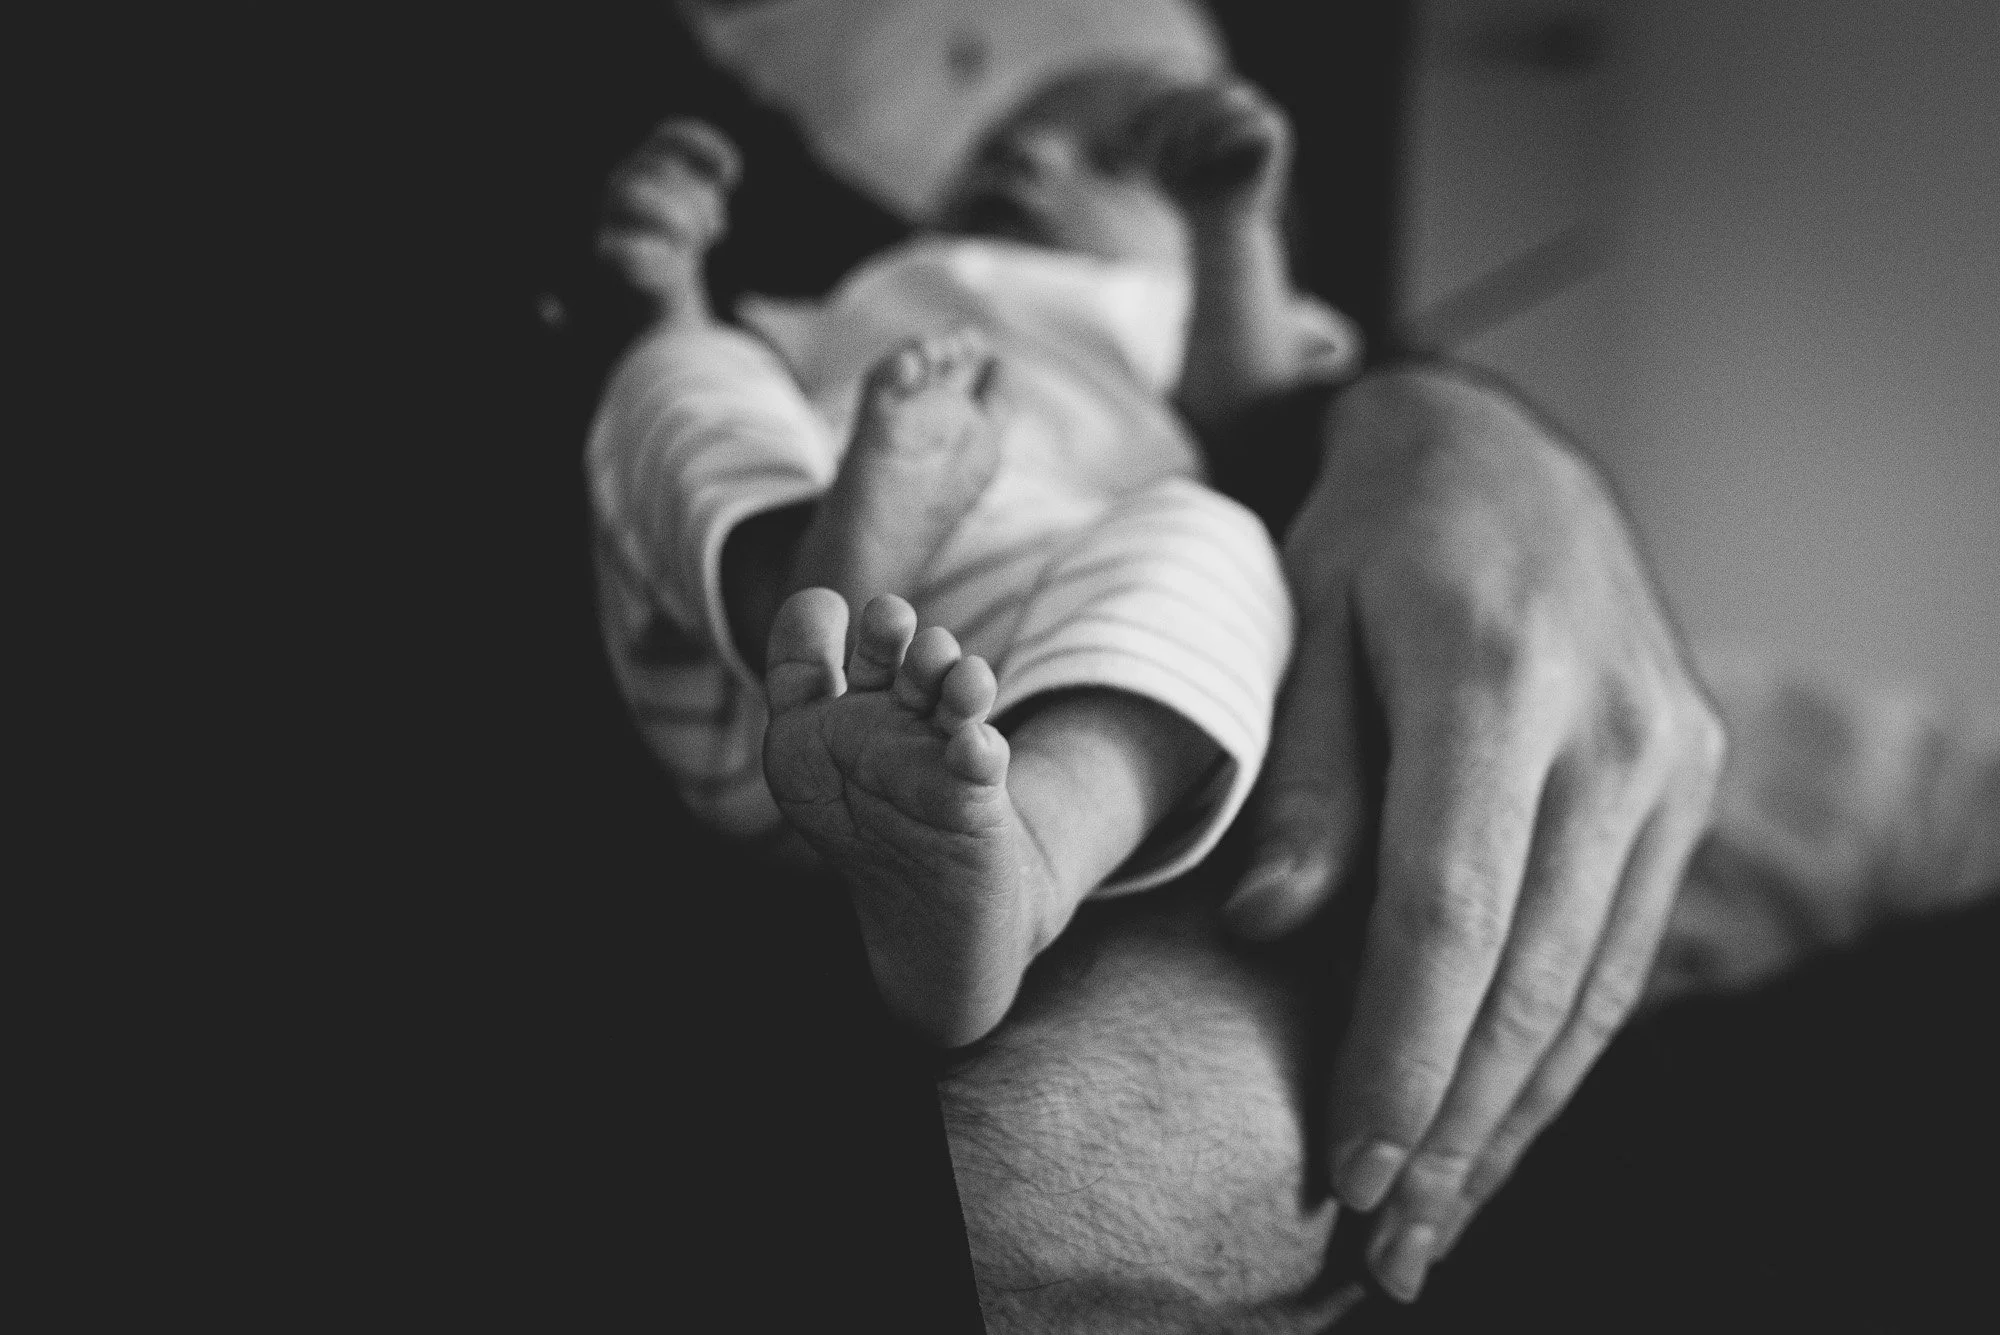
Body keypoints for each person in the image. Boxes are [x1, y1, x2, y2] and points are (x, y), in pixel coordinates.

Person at [588, 69, 1355, 1047]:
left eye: (1109, 162)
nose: (1030, 154)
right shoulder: (880, 285)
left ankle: (1019, 860)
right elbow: (735, 407)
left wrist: (1228, 228)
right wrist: (671, 294)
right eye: (998, 145)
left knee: (1218, 539)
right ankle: (821, 582)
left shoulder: (1181, 302)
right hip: (748, 644)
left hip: (1025, 651)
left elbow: (1255, 424)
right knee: (688, 371)